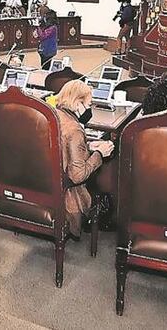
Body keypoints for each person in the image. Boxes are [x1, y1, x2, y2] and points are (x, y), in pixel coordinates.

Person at [51, 80, 115, 236]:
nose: (89, 109)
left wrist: (88, 146)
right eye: (89, 104)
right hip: (66, 195)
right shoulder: (75, 130)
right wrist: (100, 154)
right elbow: (77, 175)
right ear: (78, 103)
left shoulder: (52, 115)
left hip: (44, 182)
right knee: (104, 178)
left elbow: (62, 147)